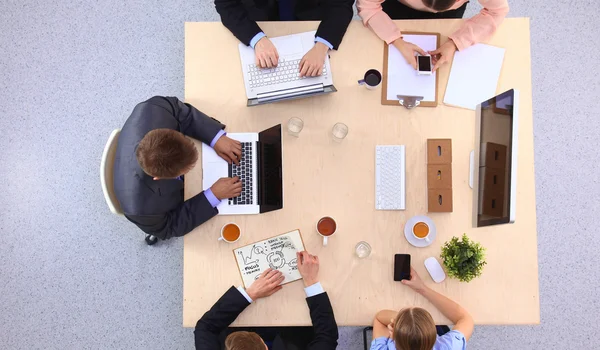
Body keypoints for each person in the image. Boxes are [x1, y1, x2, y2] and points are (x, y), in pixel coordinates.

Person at [113, 96, 243, 241]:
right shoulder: (140, 210)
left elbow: (180, 111)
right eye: (187, 169)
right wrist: (213, 195)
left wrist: (215, 137)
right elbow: (169, 227)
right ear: (158, 178)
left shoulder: (153, 108)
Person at [194, 251, 338, 349]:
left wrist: (250, 294)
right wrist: (311, 280)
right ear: (265, 346)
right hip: (294, 331)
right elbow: (327, 337)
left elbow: (205, 328)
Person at [214, 0, 354, 77]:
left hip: (312, 20)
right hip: (260, 20)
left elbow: (341, 4)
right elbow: (226, 5)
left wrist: (322, 45)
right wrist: (256, 39)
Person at [357, 0, 509, 71]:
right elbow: (367, 6)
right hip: (398, 8)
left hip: (449, 14)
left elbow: (497, 11)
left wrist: (456, 42)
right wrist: (396, 40)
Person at [370, 267, 474, 350]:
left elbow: (379, 318)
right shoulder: (450, 346)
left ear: (393, 336)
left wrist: (403, 322)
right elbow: (465, 318)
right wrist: (422, 289)